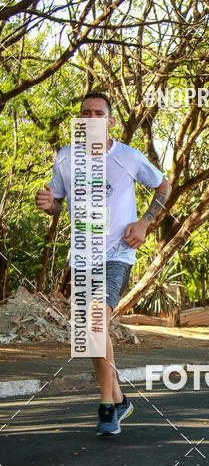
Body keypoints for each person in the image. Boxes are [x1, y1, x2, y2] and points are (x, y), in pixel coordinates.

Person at [35, 92, 171, 437]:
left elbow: (163, 187)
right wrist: (49, 202)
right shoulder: (66, 159)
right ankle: (121, 399)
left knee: (96, 321)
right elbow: (56, 205)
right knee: (93, 335)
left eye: (99, 113)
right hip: (81, 255)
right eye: (85, 114)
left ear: (110, 121)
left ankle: (107, 407)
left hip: (117, 253)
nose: (92, 118)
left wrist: (144, 223)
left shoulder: (128, 156)